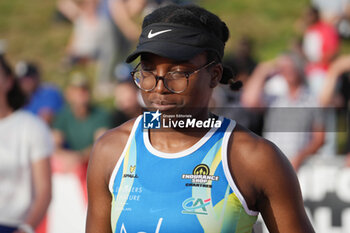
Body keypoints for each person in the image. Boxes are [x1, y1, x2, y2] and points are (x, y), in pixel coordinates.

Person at [86, 5, 314, 233]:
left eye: (177, 73)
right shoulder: (112, 150)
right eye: (147, 70)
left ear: (214, 75)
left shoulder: (254, 158)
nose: (159, 87)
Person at [241, 52, 325, 171]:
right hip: (271, 162)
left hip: (301, 167)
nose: (288, 71)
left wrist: (300, 157)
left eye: (291, 67)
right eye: (284, 68)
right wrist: (262, 71)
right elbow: (249, 101)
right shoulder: (275, 97)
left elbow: (319, 138)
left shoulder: (312, 100)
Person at [0, 55, 53, 233]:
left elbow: (44, 191)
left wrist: (26, 228)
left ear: (8, 82)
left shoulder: (31, 127)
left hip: (12, 225)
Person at [15, 61, 64, 125]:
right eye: (21, 80)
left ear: (36, 76)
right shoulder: (22, 98)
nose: (25, 83)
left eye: (28, 78)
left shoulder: (48, 92)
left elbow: (45, 120)